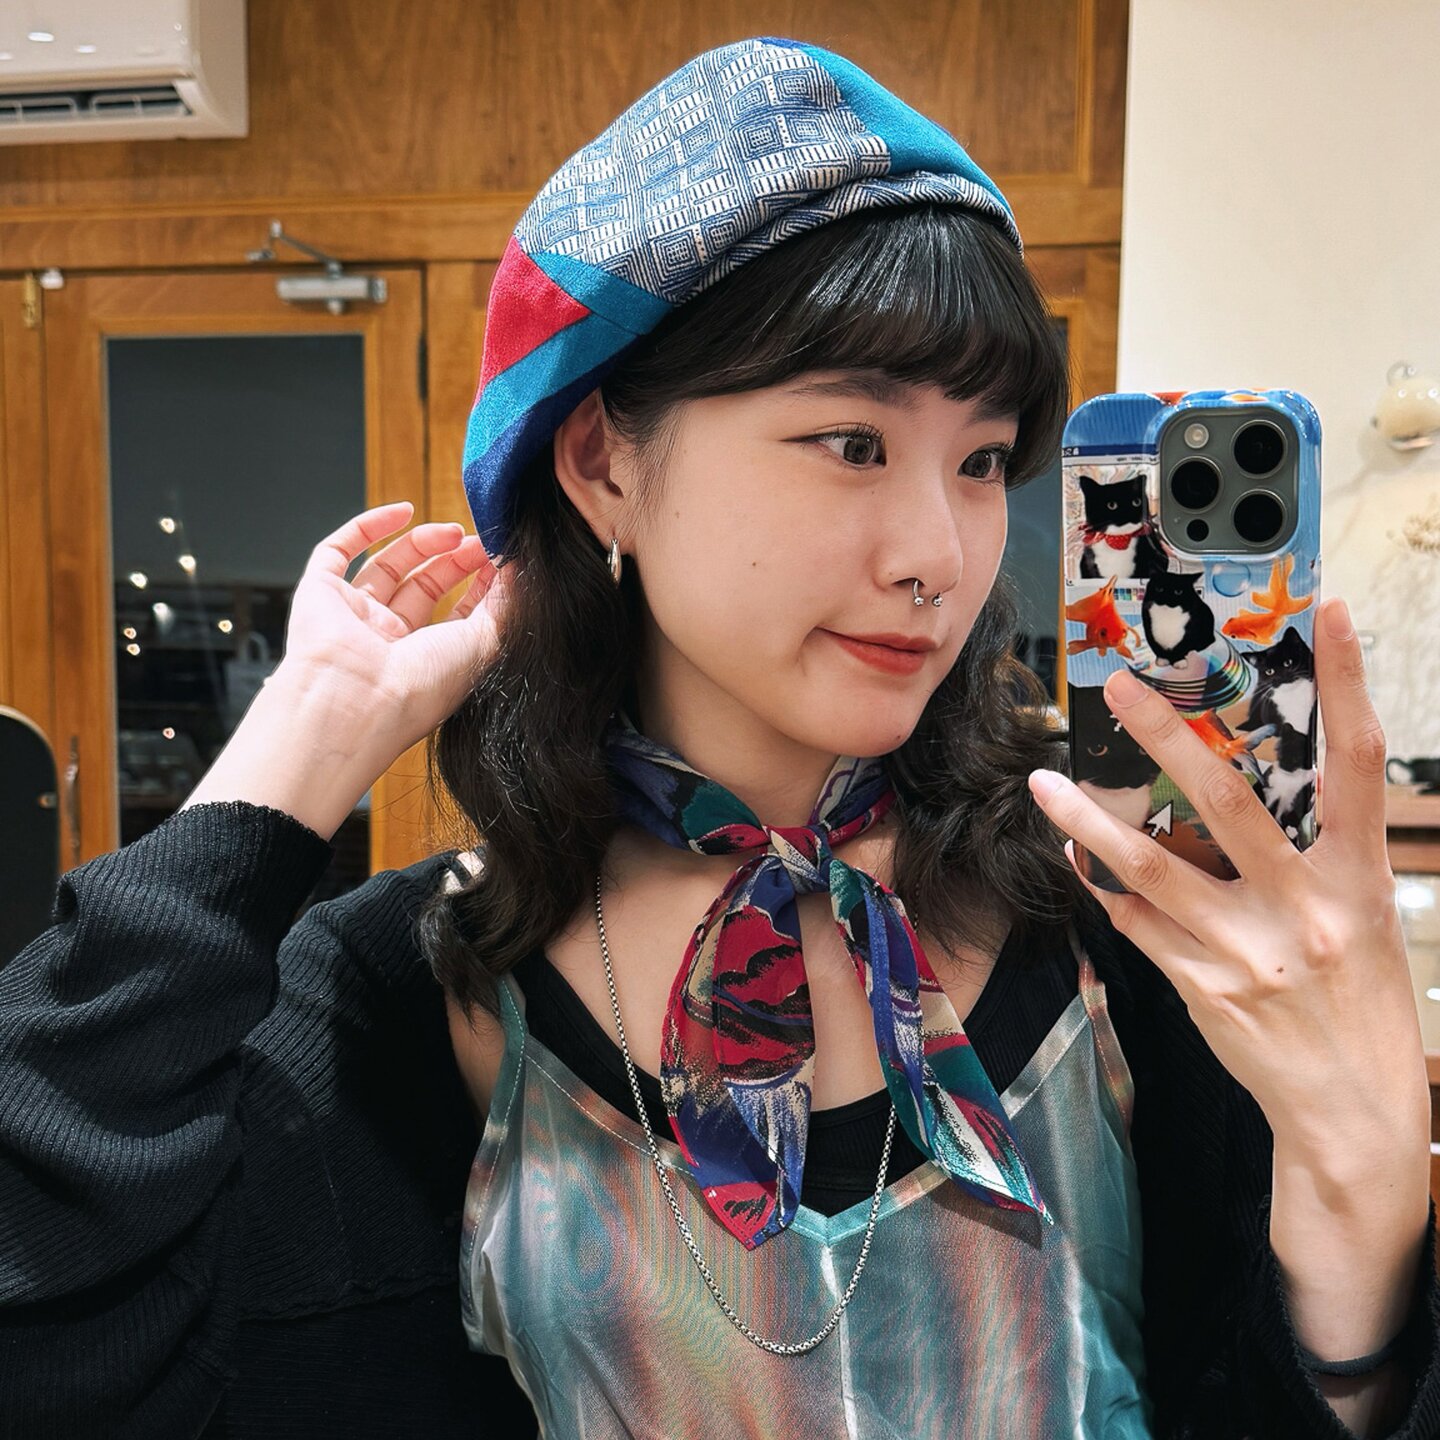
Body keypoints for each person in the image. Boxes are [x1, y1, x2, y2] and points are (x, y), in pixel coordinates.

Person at [2, 35, 1437, 1440]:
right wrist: (298, 750)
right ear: (602, 462)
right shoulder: (418, 996)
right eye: (853, 443)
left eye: (984, 459)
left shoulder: (1120, 924)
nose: (941, 555)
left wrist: (1367, 1188)